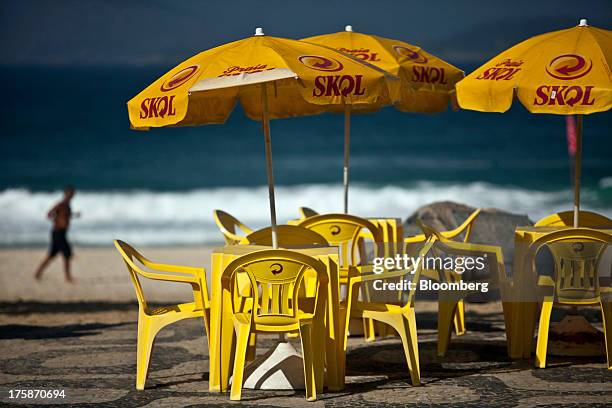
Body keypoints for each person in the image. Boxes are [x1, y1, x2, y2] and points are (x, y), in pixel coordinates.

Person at [34, 186, 80, 282]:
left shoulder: (67, 205)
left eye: (72, 195)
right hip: (58, 232)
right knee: (66, 254)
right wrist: (56, 220)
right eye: (70, 194)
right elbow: (49, 214)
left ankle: (38, 273)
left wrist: (74, 215)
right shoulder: (61, 204)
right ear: (65, 194)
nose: (71, 196)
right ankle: (68, 277)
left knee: (52, 255)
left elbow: (65, 215)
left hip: (61, 233)